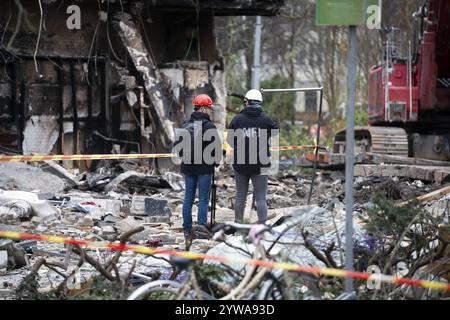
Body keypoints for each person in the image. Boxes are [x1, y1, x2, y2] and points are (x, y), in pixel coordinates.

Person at [227, 89, 279, 224]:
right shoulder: (266, 120)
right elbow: (275, 133)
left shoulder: (237, 119)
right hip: (260, 165)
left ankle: (238, 225)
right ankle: (262, 226)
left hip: (241, 163)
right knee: (261, 198)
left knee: (240, 197)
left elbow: (230, 141)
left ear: (247, 102)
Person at [176, 94, 221, 240]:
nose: (209, 111)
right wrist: (216, 161)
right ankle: (201, 229)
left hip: (188, 168)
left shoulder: (185, 125)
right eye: (208, 108)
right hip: (205, 169)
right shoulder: (209, 126)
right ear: (202, 108)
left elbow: (178, 148)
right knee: (202, 199)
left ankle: (187, 230)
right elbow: (216, 148)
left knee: (188, 198)